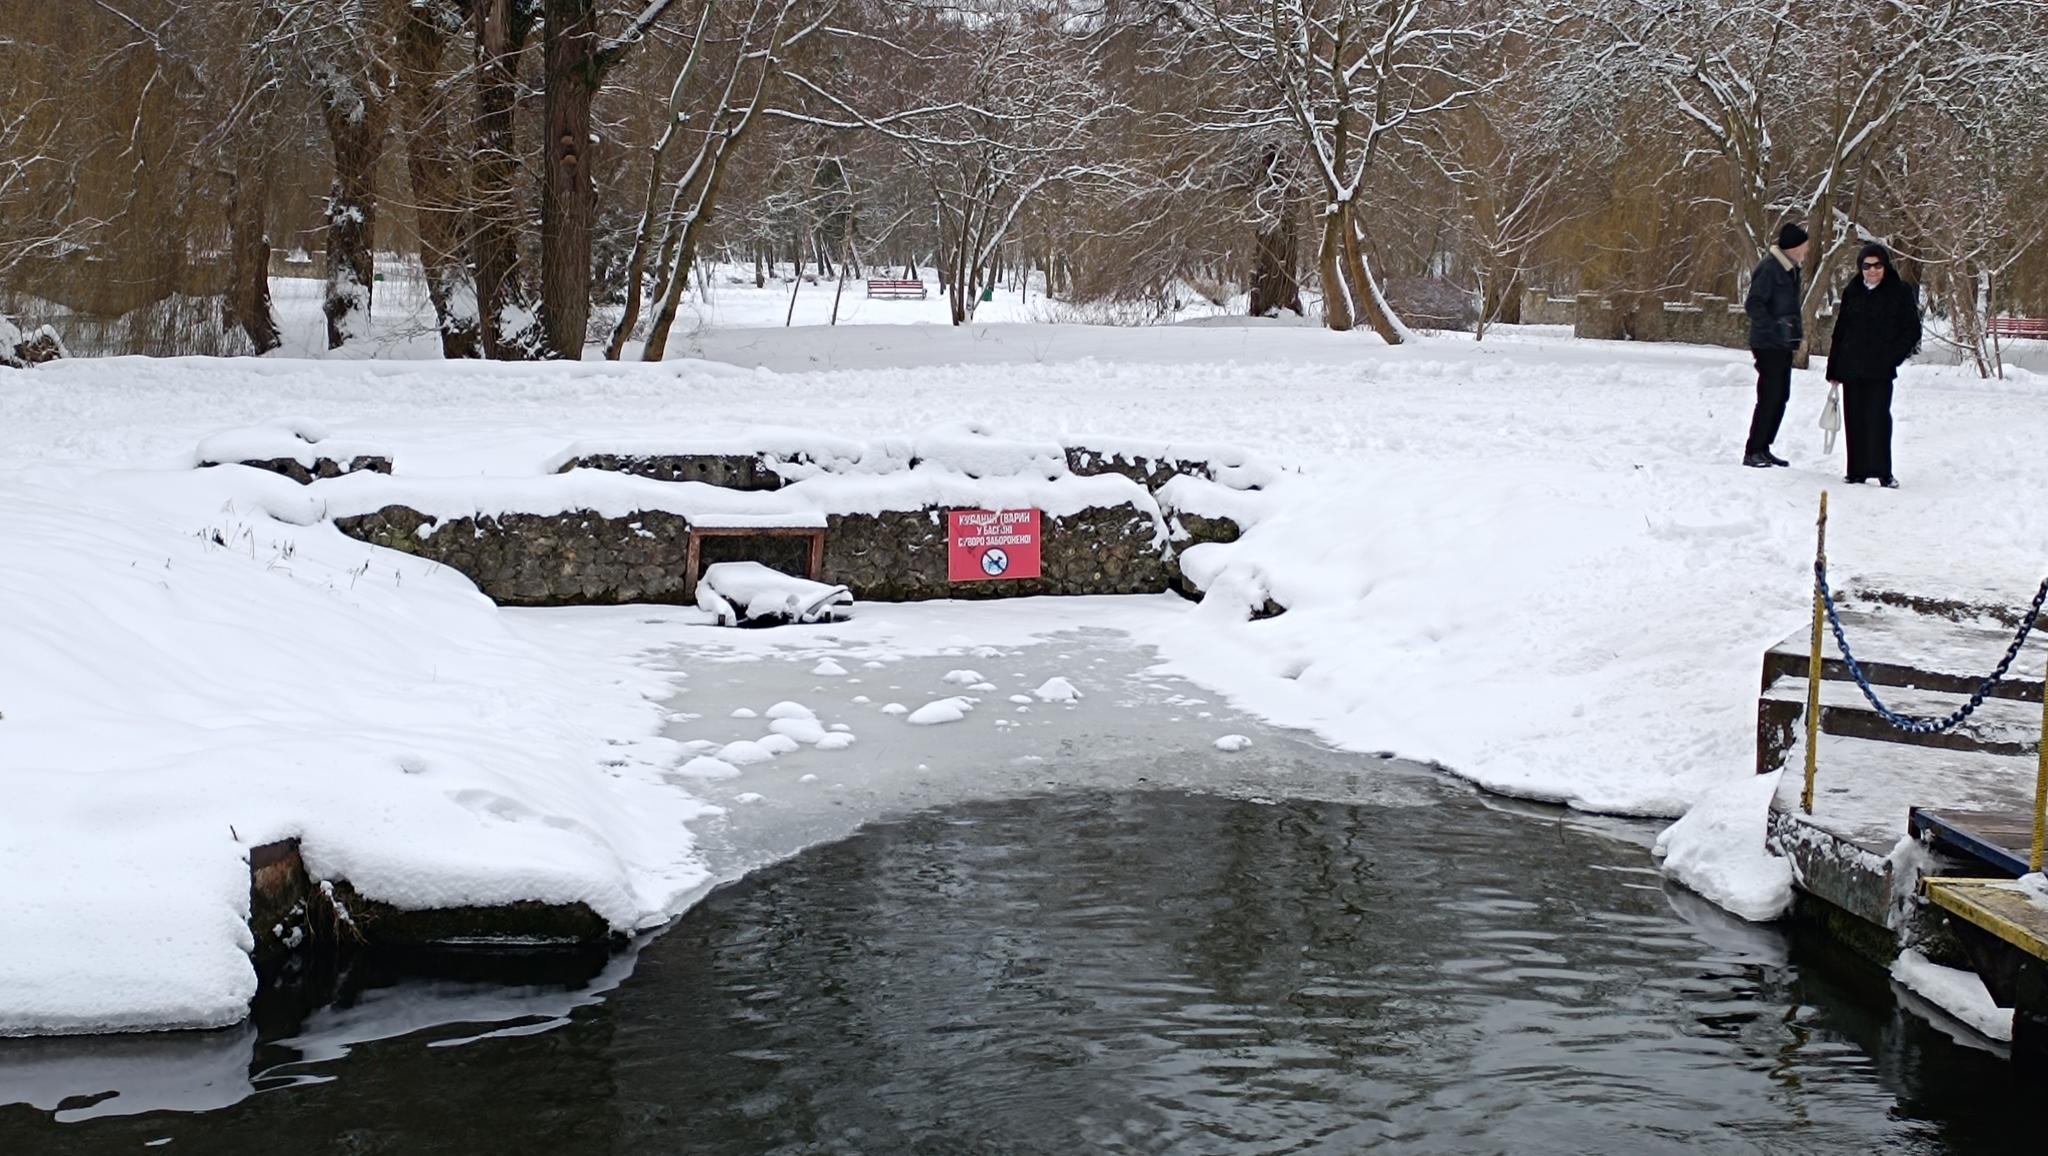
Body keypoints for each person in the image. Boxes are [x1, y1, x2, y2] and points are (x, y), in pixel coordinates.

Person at [1824, 242, 1921, 488]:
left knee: (1878, 418)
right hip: (1851, 366)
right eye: (1867, 266)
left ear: (1885, 266)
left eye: (1878, 265)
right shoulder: (1852, 290)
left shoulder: (1899, 291)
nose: (1872, 270)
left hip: (1880, 368)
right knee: (1854, 418)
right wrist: (1833, 368)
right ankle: (1856, 470)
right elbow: (1841, 330)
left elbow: (1911, 330)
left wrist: (1892, 356)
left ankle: (1882, 471)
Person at [1742, 222, 1811, 467]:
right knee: (1769, 396)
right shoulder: (1770, 269)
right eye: (1804, 246)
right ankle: (1753, 450)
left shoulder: (1790, 269)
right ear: (1792, 247)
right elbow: (1754, 304)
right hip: (1768, 344)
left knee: (1781, 396)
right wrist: (1774, 327)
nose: (1806, 250)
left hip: (1783, 344)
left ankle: (1764, 447)